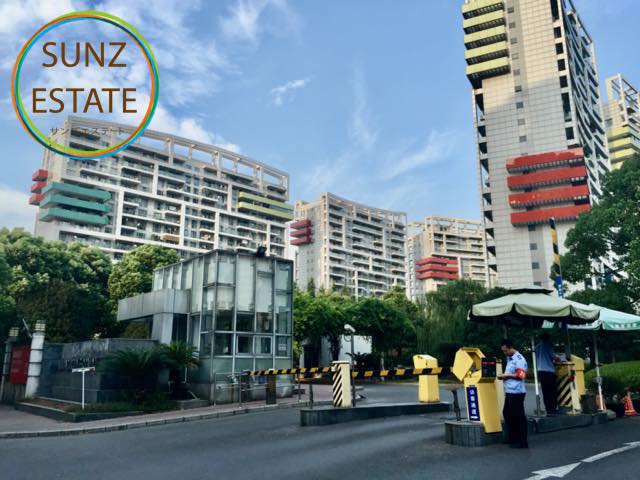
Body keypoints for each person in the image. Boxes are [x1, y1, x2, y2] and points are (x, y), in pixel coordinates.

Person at [498, 339, 528, 448]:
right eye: (503, 351)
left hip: (517, 392)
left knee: (518, 417)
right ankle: (513, 438)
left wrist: (505, 376)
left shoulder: (519, 359)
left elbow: (521, 375)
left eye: (505, 350)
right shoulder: (510, 359)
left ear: (511, 347)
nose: (504, 353)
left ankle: (522, 441)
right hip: (510, 392)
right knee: (507, 414)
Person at [535, 333, 558, 415]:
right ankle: (553, 409)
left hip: (541, 371)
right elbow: (554, 357)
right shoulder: (548, 345)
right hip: (549, 371)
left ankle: (548, 409)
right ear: (548, 338)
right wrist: (559, 357)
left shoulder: (537, 347)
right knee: (552, 391)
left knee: (545, 391)